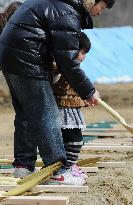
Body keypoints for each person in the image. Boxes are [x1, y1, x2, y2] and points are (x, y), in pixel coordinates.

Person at [0, 0, 114, 185]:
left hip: (9, 55)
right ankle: (58, 172)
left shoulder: (60, 5)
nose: (100, 12)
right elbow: (67, 61)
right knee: (47, 113)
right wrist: (89, 91)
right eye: (102, 7)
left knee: (26, 113)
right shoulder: (66, 12)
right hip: (27, 58)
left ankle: (23, 167)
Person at [51, 32, 91, 180]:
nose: (83, 57)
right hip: (62, 111)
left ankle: (69, 166)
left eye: (85, 53)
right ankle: (65, 169)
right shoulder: (60, 67)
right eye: (82, 52)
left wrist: (86, 96)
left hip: (73, 111)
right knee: (72, 140)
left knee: (75, 140)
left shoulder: (75, 69)